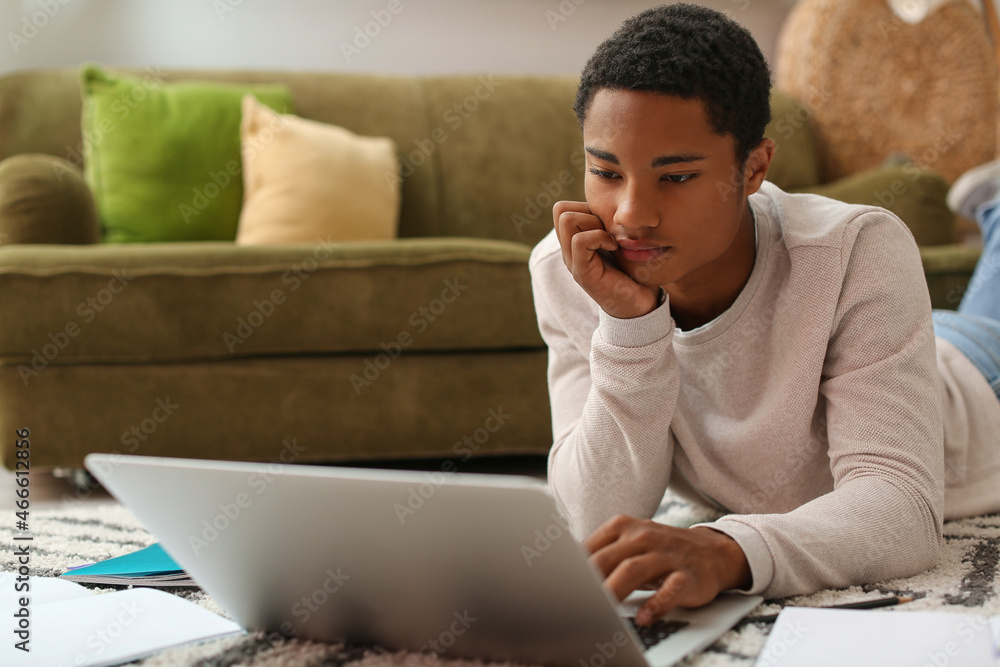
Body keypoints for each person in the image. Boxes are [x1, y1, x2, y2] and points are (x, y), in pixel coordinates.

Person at [528, 3, 1000, 628]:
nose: (630, 216)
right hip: (915, 343)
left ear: (753, 168)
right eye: (606, 172)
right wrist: (631, 328)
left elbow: (901, 512)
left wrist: (729, 551)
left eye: (676, 177)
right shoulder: (573, 270)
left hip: (975, 381)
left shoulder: (857, 248)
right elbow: (594, 518)